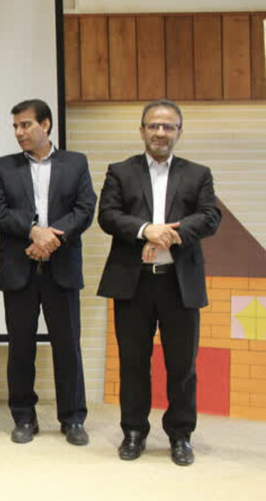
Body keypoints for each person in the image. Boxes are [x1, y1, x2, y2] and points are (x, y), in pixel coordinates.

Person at [98, 100, 221, 466]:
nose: (160, 133)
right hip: (133, 283)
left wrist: (167, 235)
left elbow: (210, 217)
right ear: (142, 131)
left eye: (168, 126)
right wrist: (145, 230)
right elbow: (108, 215)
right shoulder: (120, 171)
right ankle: (134, 432)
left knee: (182, 365)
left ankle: (180, 435)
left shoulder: (198, 174)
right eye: (153, 126)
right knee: (133, 362)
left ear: (179, 132)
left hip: (179, 284)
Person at [0, 99, 96, 446]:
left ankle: (73, 418)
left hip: (61, 267)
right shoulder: (3, 166)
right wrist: (33, 231)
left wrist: (52, 239)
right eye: (15, 127)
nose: (19, 132)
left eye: (26, 125)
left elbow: (85, 209)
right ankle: (24, 417)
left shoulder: (75, 163)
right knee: (21, 347)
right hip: (19, 267)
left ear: (46, 124)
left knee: (68, 346)